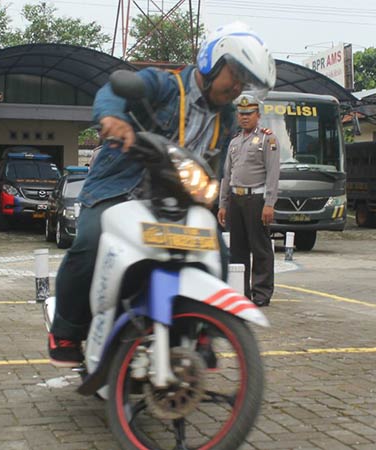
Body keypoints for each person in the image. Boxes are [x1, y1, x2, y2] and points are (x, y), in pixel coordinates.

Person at [48, 22, 277, 367]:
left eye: (245, 82)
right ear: (213, 63)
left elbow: (212, 167)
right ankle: (66, 329)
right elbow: (114, 89)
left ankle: (201, 329)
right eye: (236, 75)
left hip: (177, 202)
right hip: (121, 189)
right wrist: (112, 118)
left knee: (218, 252)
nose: (237, 87)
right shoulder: (166, 86)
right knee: (90, 241)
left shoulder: (227, 119)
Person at [217, 94, 280, 306]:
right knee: (237, 249)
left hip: (256, 199)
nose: (244, 117)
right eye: (241, 114)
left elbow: (273, 173)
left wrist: (269, 203)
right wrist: (223, 204)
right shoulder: (234, 142)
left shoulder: (267, 139)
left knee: (260, 248)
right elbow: (227, 175)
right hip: (236, 198)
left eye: (249, 114)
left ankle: (261, 294)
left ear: (258, 115)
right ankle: (241, 293)